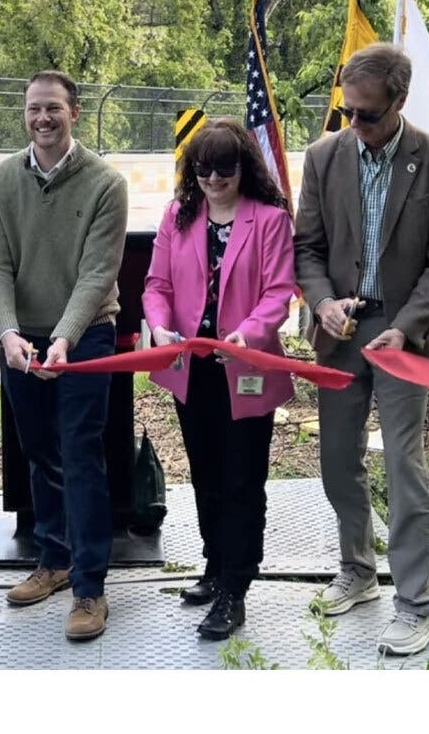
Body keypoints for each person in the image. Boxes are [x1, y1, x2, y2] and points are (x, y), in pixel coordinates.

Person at [293, 43, 429, 655]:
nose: (354, 124)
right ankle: (359, 571)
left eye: (367, 114)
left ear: (399, 103)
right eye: (347, 111)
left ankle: (418, 604)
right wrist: (322, 304)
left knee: (403, 465)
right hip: (340, 330)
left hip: (405, 336)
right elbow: (307, 249)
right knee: (337, 460)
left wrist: (410, 322)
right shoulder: (324, 157)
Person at [0, 70, 128, 642]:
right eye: (34, 109)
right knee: (38, 451)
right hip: (23, 337)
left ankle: (90, 586)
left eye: (54, 109)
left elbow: (97, 273)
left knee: (80, 452)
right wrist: (9, 334)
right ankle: (55, 558)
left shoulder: (105, 184)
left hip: (86, 334)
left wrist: (64, 338)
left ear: (75, 113)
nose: (43, 119)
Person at [141, 118, 296, 640]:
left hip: (245, 369)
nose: (212, 180)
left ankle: (236, 586)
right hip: (192, 370)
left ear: (243, 168)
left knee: (242, 480)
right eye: (203, 170)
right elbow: (156, 285)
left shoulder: (270, 220)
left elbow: (278, 293)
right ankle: (214, 564)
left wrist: (247, 336)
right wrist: (160, 327)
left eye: (223, 170)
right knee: (206, 473)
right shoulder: (178, 217)